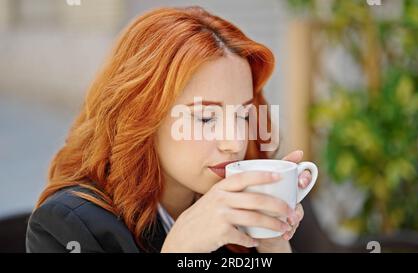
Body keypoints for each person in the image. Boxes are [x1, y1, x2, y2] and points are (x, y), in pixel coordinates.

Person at [26, 6, 313, 253]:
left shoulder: (239, 207)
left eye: (242, 115)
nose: (234, 142)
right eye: (205, 118)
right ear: (142, 118)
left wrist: (272, 243)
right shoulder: (68, 226)